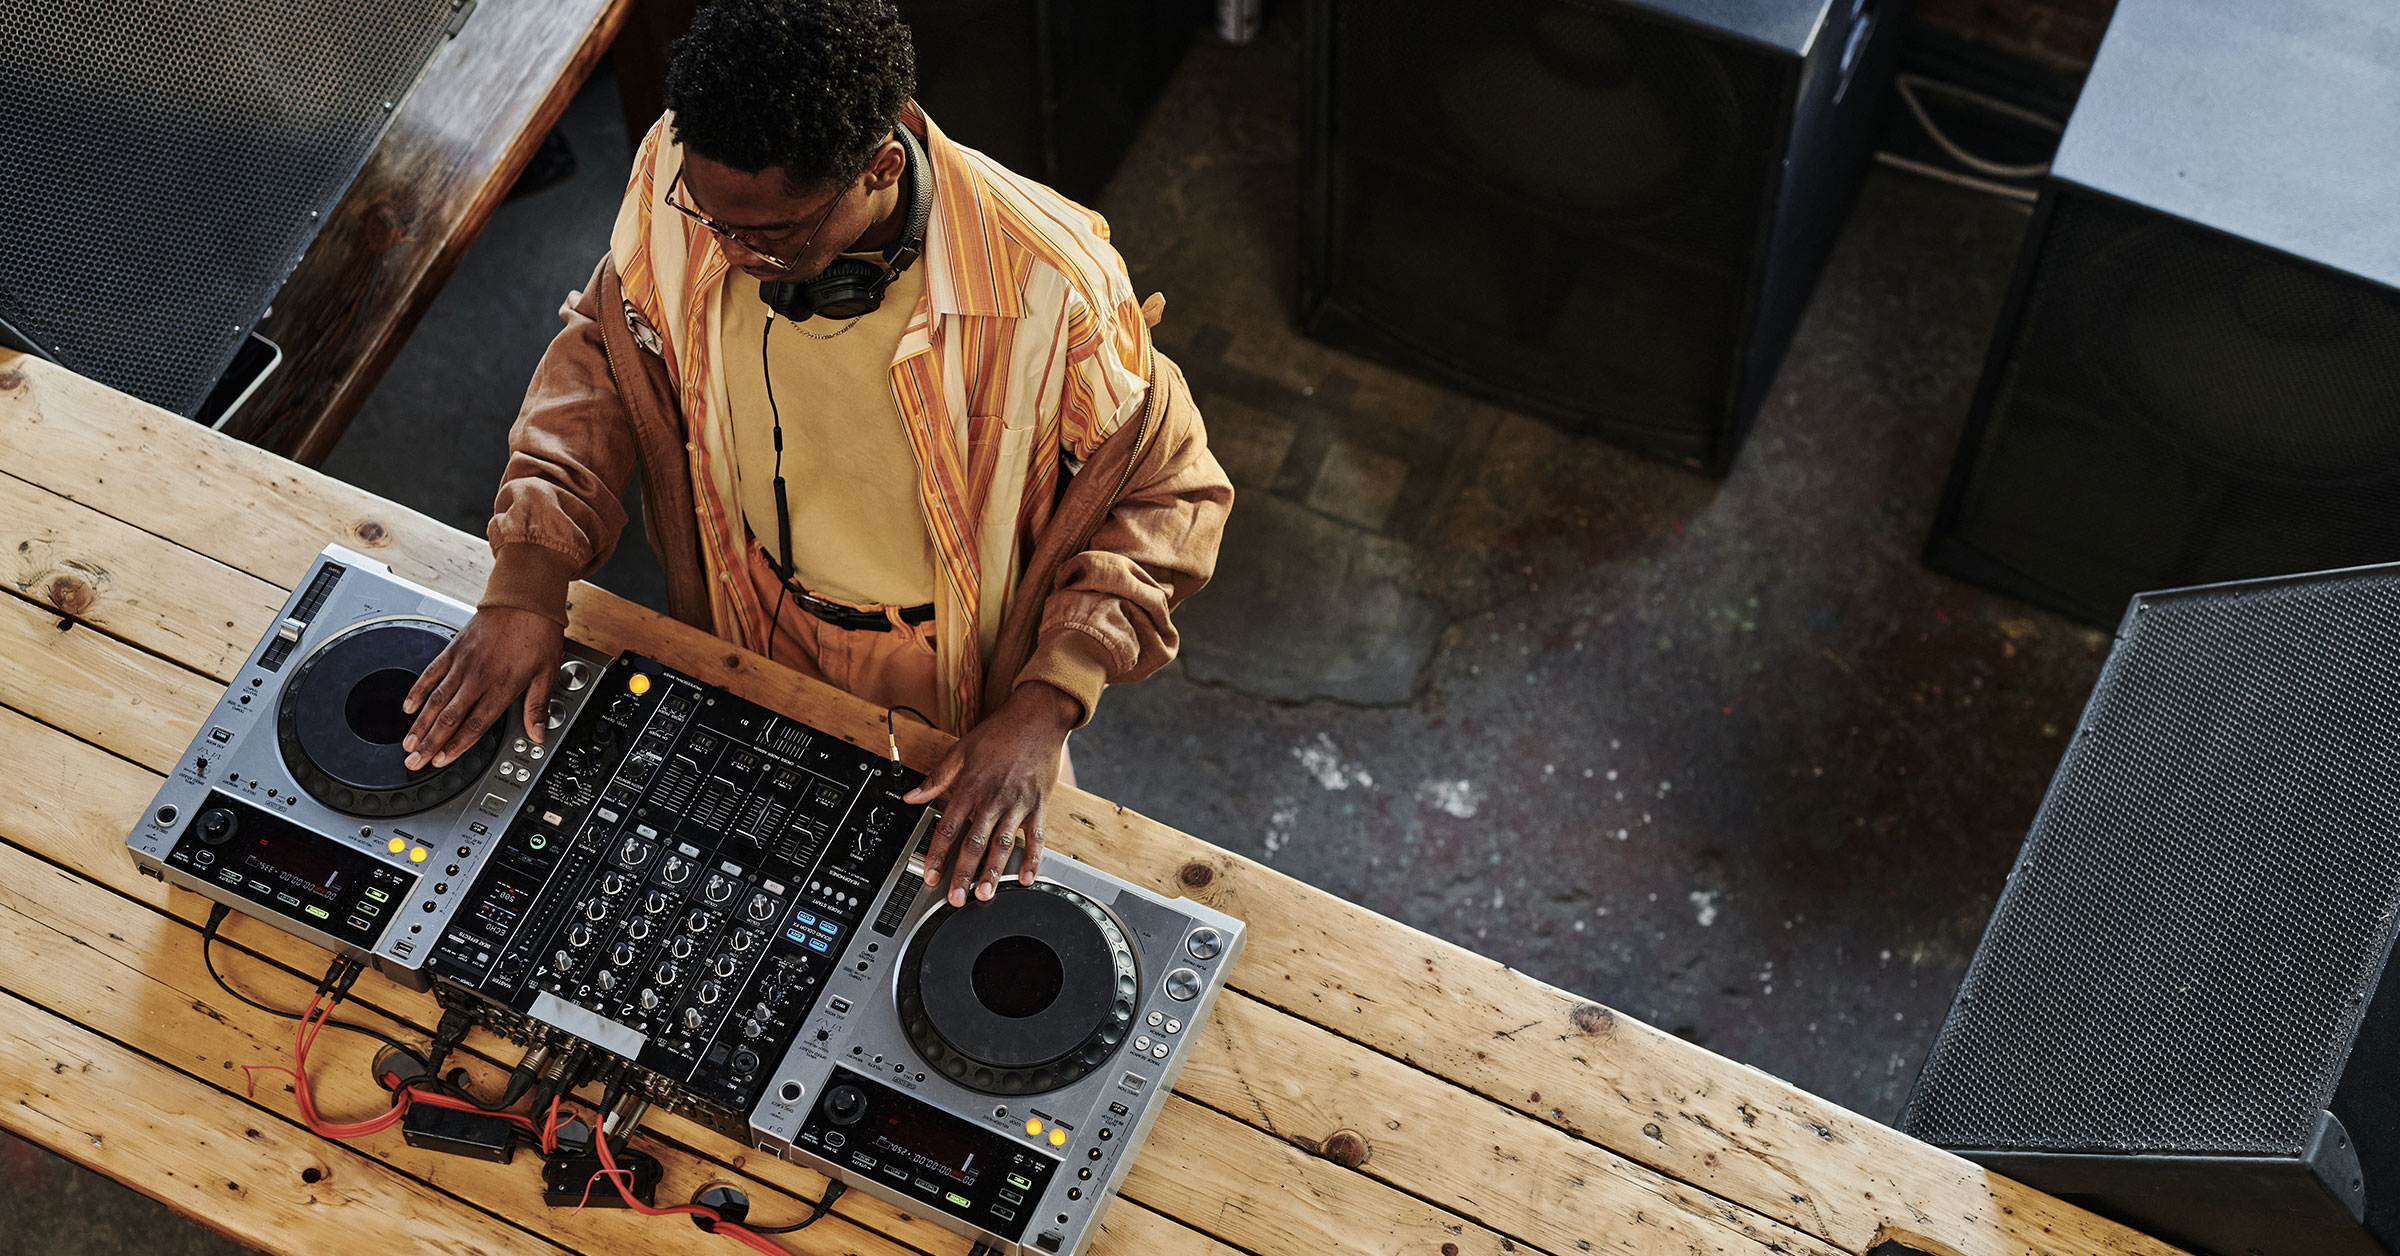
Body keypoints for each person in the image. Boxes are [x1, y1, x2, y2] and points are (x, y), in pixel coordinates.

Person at [397, 0, 1230, 909]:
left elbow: (1168, 491)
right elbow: (607, 350)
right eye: (709, 219)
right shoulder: (687, 169)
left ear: (878, 166)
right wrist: (529, 580)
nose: (728, 251)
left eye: (771, 236)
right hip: (741, 614)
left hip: (953, 675)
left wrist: (1045, 705)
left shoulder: (1050, 282)